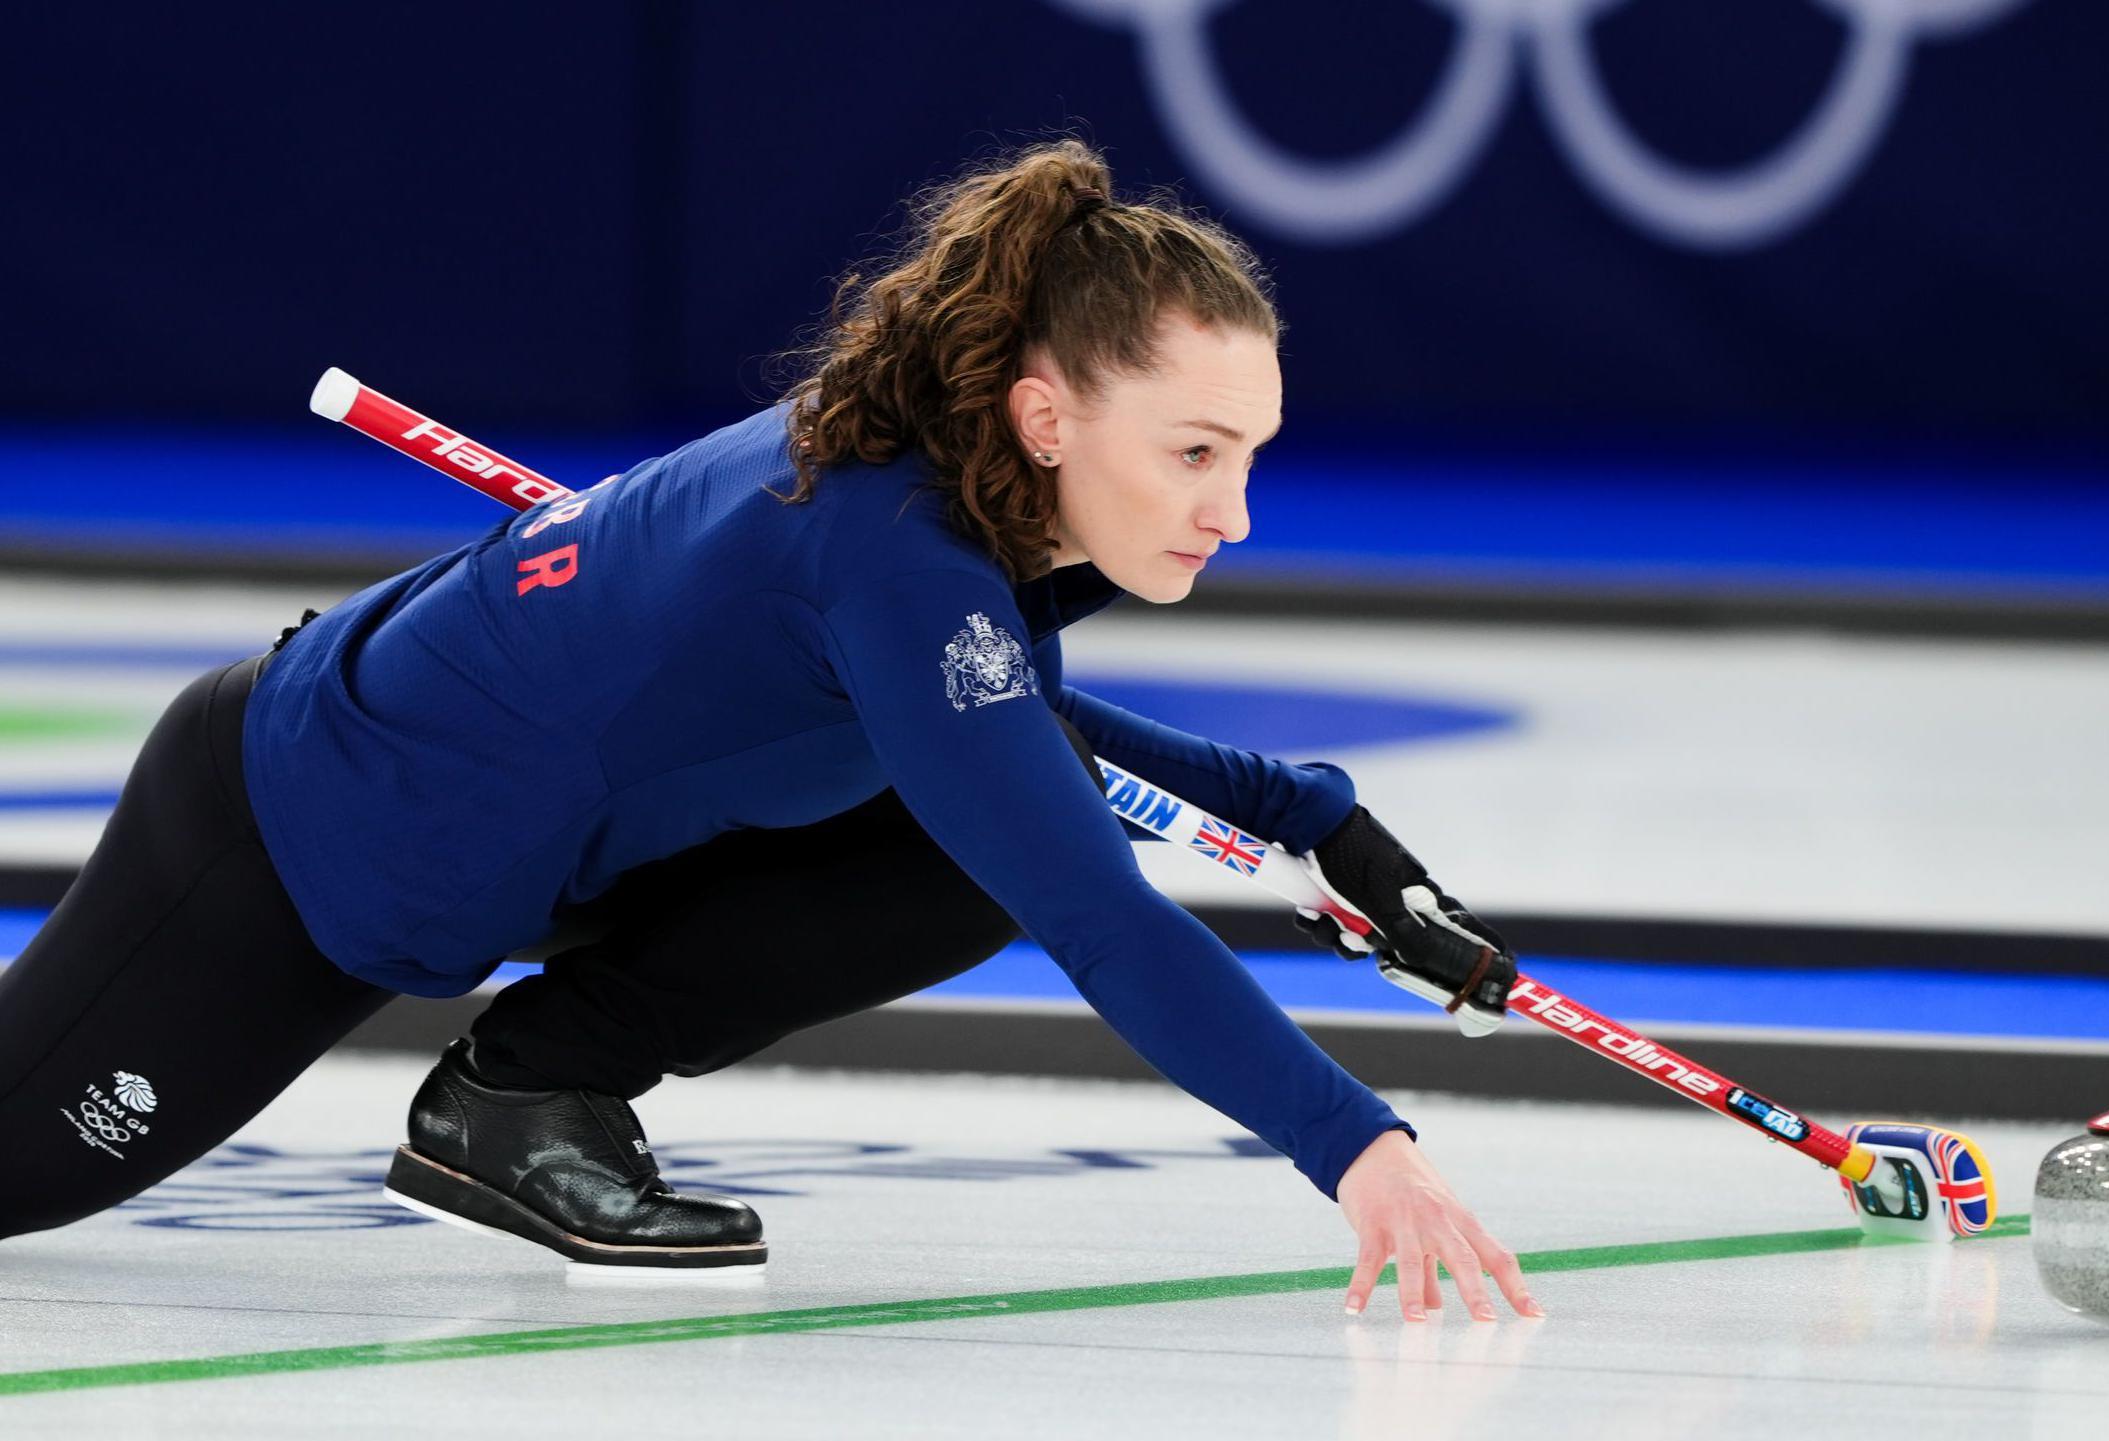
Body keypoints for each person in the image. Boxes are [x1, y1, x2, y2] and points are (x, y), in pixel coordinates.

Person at [0, 139, 1540, 1323]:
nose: (1234, 511)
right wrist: (1357, 1144)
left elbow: (994, 718)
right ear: (1048, 418)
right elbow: (1096, 910)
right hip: (293, 839)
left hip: (497, 842)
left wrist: (1303, 811)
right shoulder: (897, 554)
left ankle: (528, 1089)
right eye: (1196, 452)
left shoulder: (949, 502)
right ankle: (510, 1100)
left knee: (982, 828)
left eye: (1252, 453)